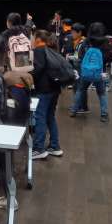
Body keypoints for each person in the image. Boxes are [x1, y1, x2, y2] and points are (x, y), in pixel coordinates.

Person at [70, 22, 112, 122]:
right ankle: (104, 115)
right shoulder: (105, 42)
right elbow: (109, 57)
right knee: (101, 93)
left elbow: (80, 56)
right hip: (99, 73)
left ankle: (74, 110)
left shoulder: (86, 41)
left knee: (80, 90)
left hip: (86, 72)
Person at [32, 30, 63, 160]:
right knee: (50, 116)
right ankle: (55, 146)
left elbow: (38, 69)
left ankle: (39, 148)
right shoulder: (52, 50)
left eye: (33, 38)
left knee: (40, 117)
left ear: (38, 39)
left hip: (44, 90)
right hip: (55, 89)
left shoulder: (39, 50)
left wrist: (29, 77)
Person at [68, 23, 88, 114]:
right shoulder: (77, 42)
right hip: (77, 68)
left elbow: (83, 57)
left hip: (81, 68)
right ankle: (78, 105)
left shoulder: (83, 43)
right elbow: (77, 55)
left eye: (73, 32)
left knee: (80, 88)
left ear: (79, 32)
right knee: (76, 87)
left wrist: (72, 58)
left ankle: (83, 107)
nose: (72, 34)